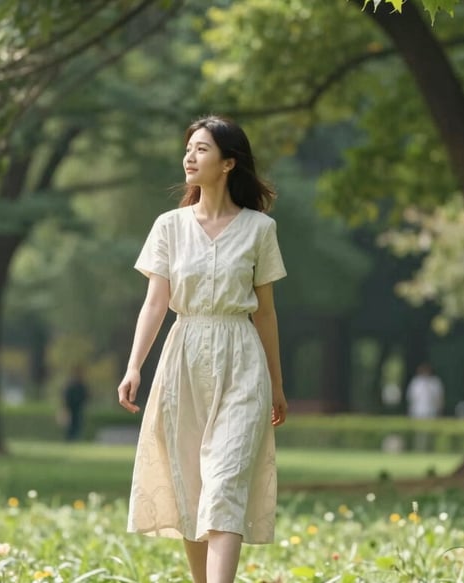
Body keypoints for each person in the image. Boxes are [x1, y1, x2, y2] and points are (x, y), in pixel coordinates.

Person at [116, 115, 288, 583]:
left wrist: (276, 383)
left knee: (226, 483)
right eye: (189, 148)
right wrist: (134, 367)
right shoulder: (168, 227)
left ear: (229, 163)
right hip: (182, 360)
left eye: (202, 149)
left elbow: (266, 313)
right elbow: (155, 304)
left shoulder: (259, 230)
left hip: (242, 361)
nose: (189, 157)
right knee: (191, 487)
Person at [405, 363, 444, 450]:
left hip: (431, 411)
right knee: (419, 433)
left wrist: (439, 410)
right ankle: (419, 449)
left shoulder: (435, 382)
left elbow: (439, 398)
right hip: (418, 411)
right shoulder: (415, 382)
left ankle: (430, 449)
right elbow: (411, 398)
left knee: (430, 432)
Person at [62, 366, 89, 441]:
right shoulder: (71, 385)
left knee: (77, 423)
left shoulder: (80, 385)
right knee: (71, 424)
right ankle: (70, 437)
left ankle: (74, 437)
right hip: (71, 407)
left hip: (78, 407)